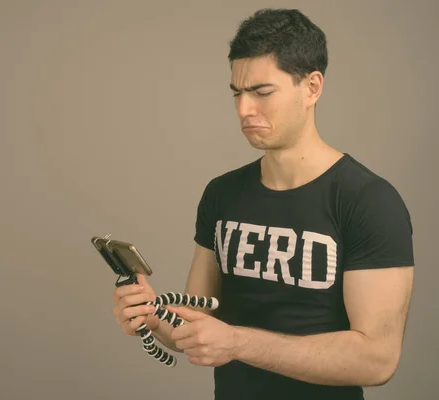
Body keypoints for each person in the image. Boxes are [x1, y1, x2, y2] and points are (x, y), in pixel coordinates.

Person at [112, 8, 414, 400]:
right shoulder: (222, 194)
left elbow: (378, 360)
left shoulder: (369, 201)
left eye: (262, 92)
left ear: (311, 87)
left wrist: (238, 343)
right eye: (237, 93)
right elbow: (198, 324)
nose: (243, 110)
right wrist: (152, 317)